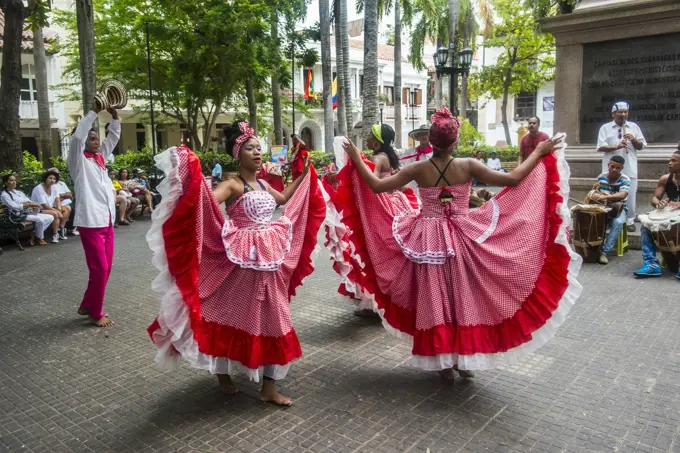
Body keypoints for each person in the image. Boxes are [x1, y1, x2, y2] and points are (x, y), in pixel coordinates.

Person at [336, 106, 581, 379]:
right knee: (464, 295)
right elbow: (513, 178)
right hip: (463, 235)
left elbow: (377, 186)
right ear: (455, 141)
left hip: (427, 240)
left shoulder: (418, 168)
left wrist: (356, 159)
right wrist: (539, 152)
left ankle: (445, 361)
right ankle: (463, 360)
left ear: (431, 140)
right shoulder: (468, 165)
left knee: (437, 298)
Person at [146, 120, 325, 406]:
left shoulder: (265, 183)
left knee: (276, 318)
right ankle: (223, 374)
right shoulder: (231, 183)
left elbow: (284, 197)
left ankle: (268, 387)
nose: (257, 153)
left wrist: (304, 174)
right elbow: (204, 203)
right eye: (250, 148)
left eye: (259, 149)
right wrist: (190, 175)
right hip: (241, 262)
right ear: (237, 154)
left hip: (271, 259)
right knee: (232, 317)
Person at [67, 100, 120, 327]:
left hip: (107, 220)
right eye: (92, 138)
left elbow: (113, 139)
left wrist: (115, 117)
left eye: (97, 137)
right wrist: (93, 112)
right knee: (99, 268)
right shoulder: (77, 161)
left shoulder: (99, 159)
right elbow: (78, 139)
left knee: (105, 269)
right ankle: (95, 313)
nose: (96, 141)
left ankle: (87, 304)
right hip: (90, 222)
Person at [597, 101, 647, 232]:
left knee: (630, 195)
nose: (623, 114)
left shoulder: (633, 127)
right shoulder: (605, 128)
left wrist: (633, 139)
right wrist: (616, 146)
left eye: (626, 112)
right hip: (610, 169)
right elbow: (600, 146)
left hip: (629, 166)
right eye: (620, 112)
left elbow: (641, 146)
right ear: (613, 114)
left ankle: (630, 220)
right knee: (607, 193)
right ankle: (609, 218)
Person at [633, 149, 680, 279]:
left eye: (673, 161)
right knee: (646, 224)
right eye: (669, 160)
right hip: (670, 212)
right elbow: (654, 198)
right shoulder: (665, 179)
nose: (669, 163)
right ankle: (651, 263)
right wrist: (658, 204)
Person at [590, 156, 630, 265]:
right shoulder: (601, 177)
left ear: (621, 169)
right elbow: (596, 191)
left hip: (619, 208)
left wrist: (606, 197)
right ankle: (592, 248)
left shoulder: (625, 179)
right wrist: (598, 195)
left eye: (618, 168)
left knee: (618, 222)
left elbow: (623, 194)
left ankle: (604, 252)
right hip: (603, 207)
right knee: (591, 218)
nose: (614, 170)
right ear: (608, 165)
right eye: (612, 166)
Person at [1, 174, 54, 246]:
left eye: (15, 180)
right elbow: (14, 206)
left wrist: (33, 205)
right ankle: (39, 238)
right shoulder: (5, 195)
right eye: (11, 180)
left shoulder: (19, 192)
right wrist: (28, 205)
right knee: (39, 219)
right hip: (16, 215)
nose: (14, 182)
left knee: (50, 217)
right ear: (6, 182)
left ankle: (33, 234)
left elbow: (28, 200)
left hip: (27, 212)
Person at [31, 170, 67, 243]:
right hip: (37, 210)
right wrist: (57, 211)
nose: (52, 180)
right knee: (55, 214)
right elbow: (44, 205)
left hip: (48, 208)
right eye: (50, 178)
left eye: (54, 179)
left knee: (66, 209)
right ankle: (55, 234)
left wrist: (59, 208)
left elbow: (58, 200)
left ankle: (57, 232)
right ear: (45, 178)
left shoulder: (54, 188)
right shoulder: (39, 188)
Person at [49, 167, 79, 236]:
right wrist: (63, 195)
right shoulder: (50, 184)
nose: (58, 175)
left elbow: (70, 194)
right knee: (71, 209)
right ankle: (69, 229)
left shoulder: (62, 183)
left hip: (68, 201)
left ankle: (68, 228)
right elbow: (54, 197)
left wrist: (61, 195)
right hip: (58, 204)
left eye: (58, 173)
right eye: (56, 174)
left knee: (78, 205)